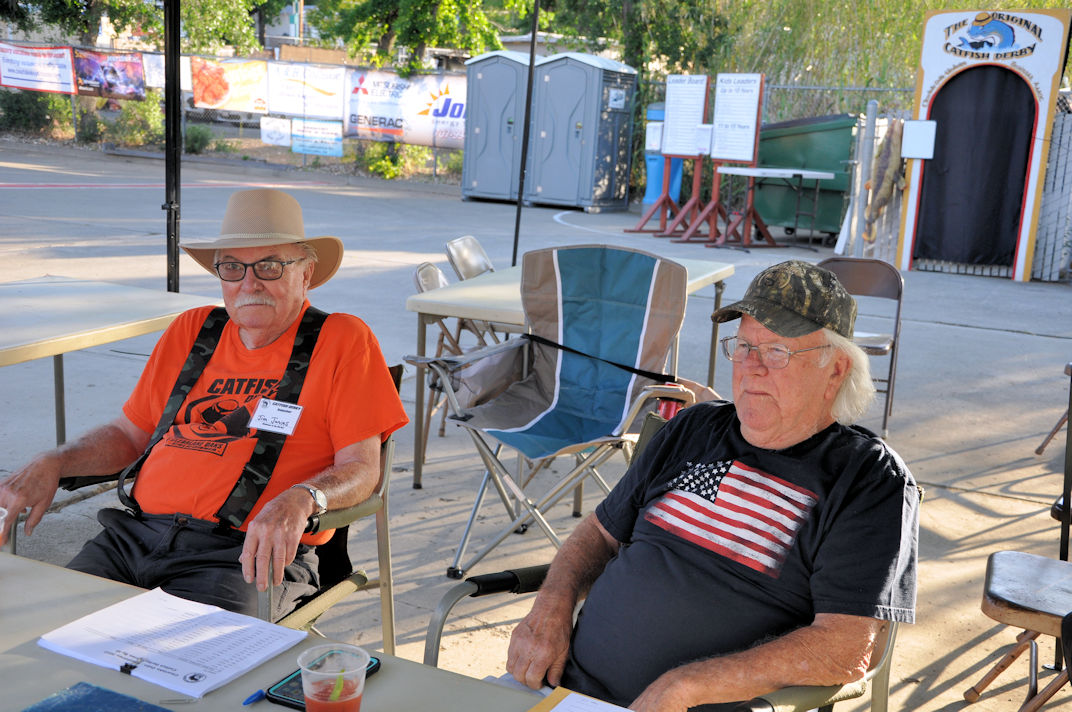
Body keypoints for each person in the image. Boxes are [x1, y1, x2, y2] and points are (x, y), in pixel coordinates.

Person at [506, 260, 918, 712]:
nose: (751, 367)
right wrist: (552, 605)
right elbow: (600, 534)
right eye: (743, 346)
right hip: (561, 691)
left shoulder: (869, 479)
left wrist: (690, 685)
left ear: (835, 369)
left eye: (776, 351)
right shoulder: (695, 426)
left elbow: (845, 648)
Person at [0, 188, 408, 619]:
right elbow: (128, 434)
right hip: (131, 537)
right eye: (232, 267)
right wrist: (56, 460)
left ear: (305, 273)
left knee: (188, 656)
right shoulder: (194, 330)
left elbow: (362, 469)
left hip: (243, 556)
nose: (249, 283)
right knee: (46, 633)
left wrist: (302, 498)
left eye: (270, 265)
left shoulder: (341, 339)